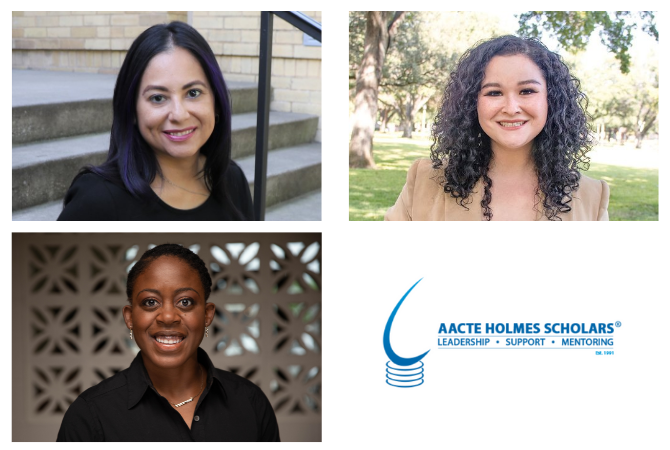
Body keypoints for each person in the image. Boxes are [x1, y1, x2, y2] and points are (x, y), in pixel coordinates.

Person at [57, 244, 280, 441]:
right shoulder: (89, 415)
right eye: (150, 302)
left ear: (207, 314)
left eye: (185, 302)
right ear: (129, 317)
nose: (167, 317)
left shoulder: (250, 403)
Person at [385, 35, 609, 221]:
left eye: (527, 91)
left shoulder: (592, 197)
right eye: (494, 93)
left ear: (552, 99)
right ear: (473, 103)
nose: (511, 108)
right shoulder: (424, 182)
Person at [58, 22, 253, 220]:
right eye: (158, 98)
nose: (179, 114)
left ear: (216, 103)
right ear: (132, 110)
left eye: (193, 93)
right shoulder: (96, 200)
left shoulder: (231, 179)